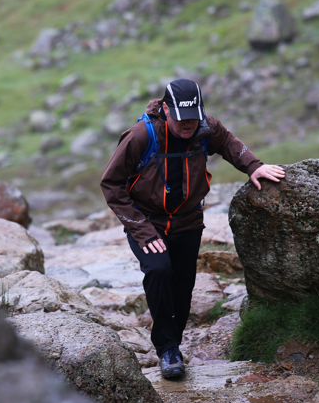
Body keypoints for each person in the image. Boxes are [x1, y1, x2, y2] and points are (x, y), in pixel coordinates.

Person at [100, 78, 285, 379]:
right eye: (181, 118)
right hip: (149, 222)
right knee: (159, 270)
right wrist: (142, 230)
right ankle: (167, 350)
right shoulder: (140, 136)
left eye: (193, 117)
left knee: (183, 284)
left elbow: (228, 143)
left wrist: (254, 166)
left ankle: (173, 343)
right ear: (165, 110)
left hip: (188, 221)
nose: (188, 124)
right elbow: (111, 183)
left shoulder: (205, 127)